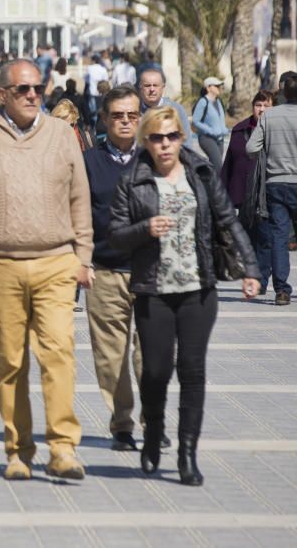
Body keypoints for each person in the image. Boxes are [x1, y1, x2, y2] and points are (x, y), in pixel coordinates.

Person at [0, 58, 93, 481]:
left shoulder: (63, 135)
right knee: (11, 361)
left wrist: (84, 257)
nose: (32, 96)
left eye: (37, 89)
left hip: (55, 261)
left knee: (59, 354)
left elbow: (80, 198)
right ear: (3, 94)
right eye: (23, 89)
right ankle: (18, 450)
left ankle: (63, 449)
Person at [109, 106, 260, 485]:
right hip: (154, 289)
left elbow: (227, 219)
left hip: (198, 288)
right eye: (157, 138)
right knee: (156, 372)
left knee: (193, 371)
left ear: (182, 137)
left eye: (172, 136)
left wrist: (251, 270)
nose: (165, 145)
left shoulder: (201, 172)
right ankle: (153, 434)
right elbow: (115, 235)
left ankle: (186, 453)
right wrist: (145, 228)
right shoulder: (133, 178)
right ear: (146, 140)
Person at [82, 85, 151, 452]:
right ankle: (122, 424)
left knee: (150, 356)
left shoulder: (155, 158)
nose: (125, 122)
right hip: (105, 271)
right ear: (105, 119)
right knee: (111, 358)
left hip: (151, 273)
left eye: (132, 115)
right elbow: (76, 214)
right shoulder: (88, 161)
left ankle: (151, 419)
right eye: (118, 116)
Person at [246, 72, 297, 306]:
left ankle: (282, 290)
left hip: (275, 183)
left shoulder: (270, 116)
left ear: (283, 92)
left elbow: (251, 147)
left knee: (278, 237)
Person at [222, 90, 276, 296]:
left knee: (265, 238)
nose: (261, 110)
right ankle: (253, 276)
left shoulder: (274, 130)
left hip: (266, 193)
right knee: (247, 239)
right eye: (258, 105)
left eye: (266, 106)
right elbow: (228, 165)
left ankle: (261, 278)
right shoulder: (239, 130)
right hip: (243, 193)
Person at [138, 68, 196, 149]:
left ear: (163, 87)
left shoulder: (177, 109)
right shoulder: (134, 111)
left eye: (155, 85)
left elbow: (187, 143)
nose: (152, 89)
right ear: (140, 87)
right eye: (147, 85)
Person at [192, 77, 229, 173]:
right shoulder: (203, 102)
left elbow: (221, 119)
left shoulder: (219, 101)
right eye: (216, 86)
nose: (219, 88)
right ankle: (219, 187)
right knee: (218, 166)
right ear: (208, 88)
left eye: (219, 86)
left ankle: (205, 181)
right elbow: (195, 121)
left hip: (219, 139)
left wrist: (224, 129)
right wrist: (210, 130)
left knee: (214, 165)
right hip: (207, 138)